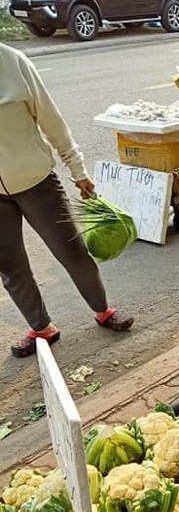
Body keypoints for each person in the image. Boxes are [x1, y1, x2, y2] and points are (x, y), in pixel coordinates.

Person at [0, 43, 133, 359]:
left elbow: (52, 122)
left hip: (37, 181)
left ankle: (103, 309)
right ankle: (41, 327)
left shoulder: (13, 63)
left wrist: (78, 170)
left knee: (71, 251)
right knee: (10, 267)